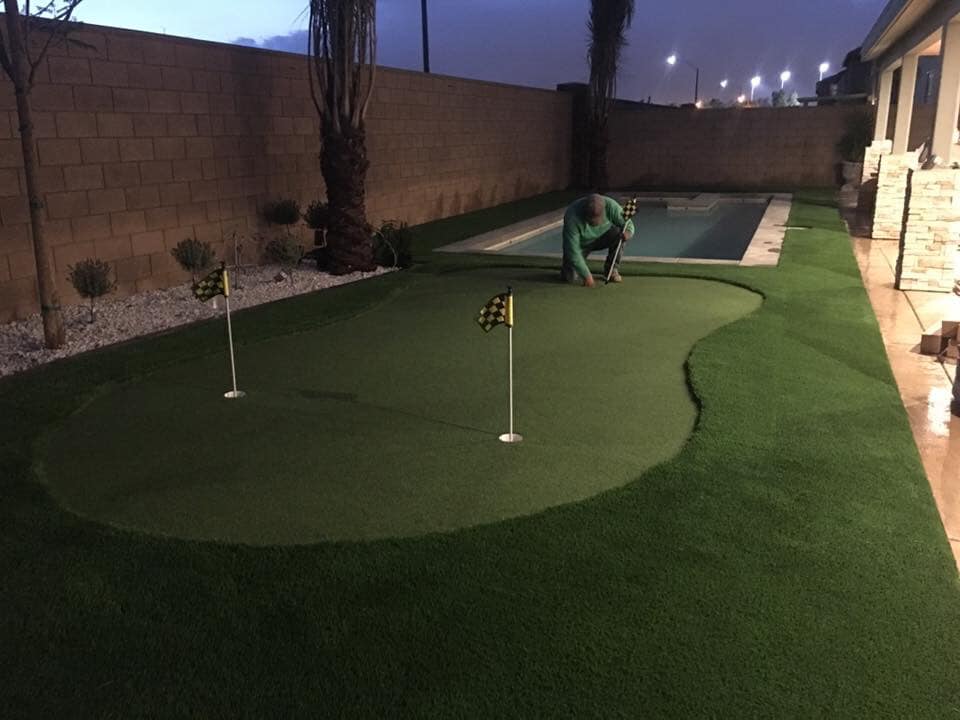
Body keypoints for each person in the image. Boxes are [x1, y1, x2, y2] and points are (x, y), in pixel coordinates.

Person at [560, 194, 635, 287]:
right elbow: (572, 251)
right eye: (591, 219)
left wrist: (628, 233)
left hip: (603, 237)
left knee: (619, 233)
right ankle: (570, 269)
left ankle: (611, 270)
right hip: (582, 244)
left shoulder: (611, 206)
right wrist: (587, 276)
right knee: (569, 277)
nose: (594, 222)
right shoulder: (572, 216)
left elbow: (628, 224)